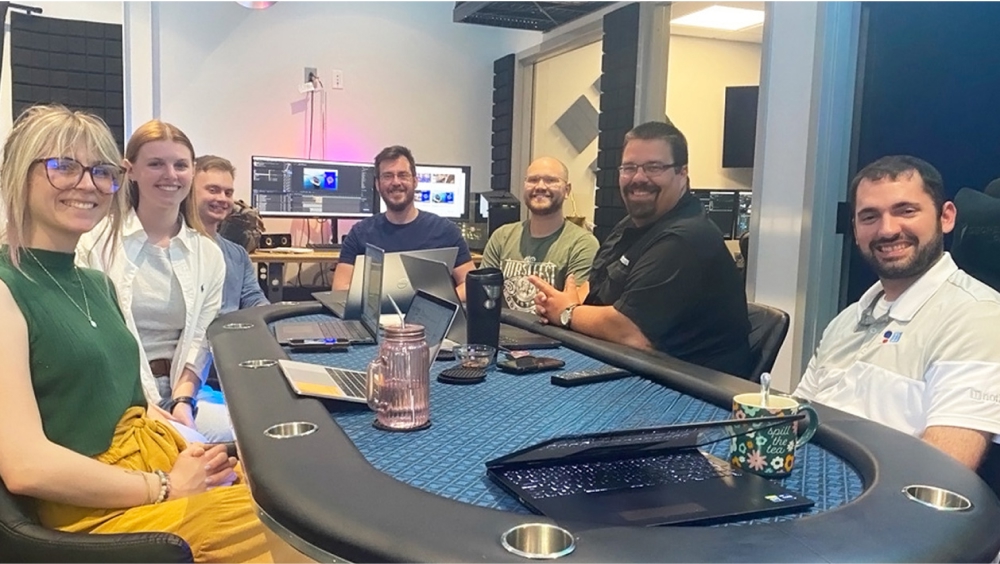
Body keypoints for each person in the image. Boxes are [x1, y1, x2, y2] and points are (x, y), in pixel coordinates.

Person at [0, 104, 306, 562]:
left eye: (101, 171)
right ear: (17, 173)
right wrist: (164, 486)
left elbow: (137, 405)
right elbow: (26, 467)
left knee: (299, 486)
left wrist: (201, 452)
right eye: (63, 167)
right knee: (308, 529)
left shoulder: (92, 282)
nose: (86, 184)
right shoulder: (8, 287)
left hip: (154, 460)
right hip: (97, 507)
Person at [794, 155, 1000, 470]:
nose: (887, 230)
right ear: (856, 228)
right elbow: (796, 421)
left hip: (882, 509)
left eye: (906, 211)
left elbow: (940, 474)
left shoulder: (978, 318)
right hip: (808, 484)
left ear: (946, 217)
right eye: (869, 216)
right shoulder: (846, 321)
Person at [530, 121, 752, 378]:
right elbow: (596, 285)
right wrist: (565, 301)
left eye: (653, 167)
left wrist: (567, 313)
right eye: (629, 168)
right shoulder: (635, 223)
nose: (638, 178)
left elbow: (631, 331)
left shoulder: (686, 239)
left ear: (682, 173)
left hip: (693, 395)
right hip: (636, 371)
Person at [77, 120, 232, 442]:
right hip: (117, 395)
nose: (170, 175)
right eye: (156, 164)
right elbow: (93, 343)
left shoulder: (208, 253)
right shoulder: (94, 242)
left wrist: (184, 401)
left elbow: (201, 339)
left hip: (182, 393)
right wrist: (141, 401)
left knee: (260, 439)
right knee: (196, 451)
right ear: (130, 170)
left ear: (192, 171)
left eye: (180, 165)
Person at [332, 145, 475, 300]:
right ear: (377, 184)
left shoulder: (445, 230)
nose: (396, 182)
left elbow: (469, 284)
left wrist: (437, 302)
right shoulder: (360, 233)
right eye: (387, 176)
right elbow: (339, 289)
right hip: (376, 319)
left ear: (415, 181)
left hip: (430, 319)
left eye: (403, 175)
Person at [480, 156, 598, 312]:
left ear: (567, 190)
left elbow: (573, 309)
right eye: (533, 180)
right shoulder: (502, 236)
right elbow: (482, 292)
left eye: (551, 180)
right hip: (503, 332)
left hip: (551, 334)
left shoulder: (583, 244)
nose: (540, 186)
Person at [192, 155, 269, 314]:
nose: (222, 198)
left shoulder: (238, 254)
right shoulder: (175, 248)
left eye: (228, 193)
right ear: (189, 192)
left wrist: (269, 314)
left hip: (232, 334)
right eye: (213, 190)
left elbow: (252, 296)